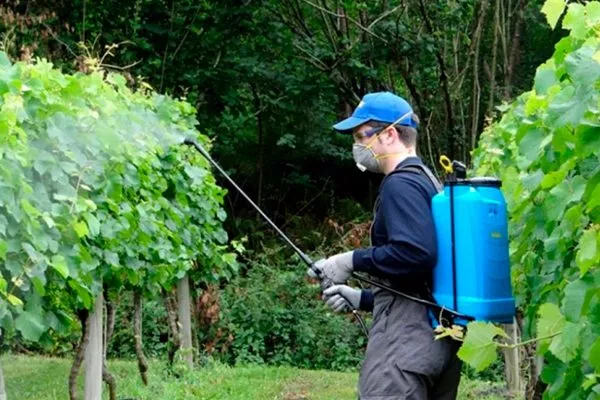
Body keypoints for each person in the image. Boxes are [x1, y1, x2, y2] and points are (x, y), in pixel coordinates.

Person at [308, 92, 462, 400]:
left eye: (361, 136)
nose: (357, 147)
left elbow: (416, 253)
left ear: (390, 134)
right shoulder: (428, 181)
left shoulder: (400, 184)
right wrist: (362, 298)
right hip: (439, 339)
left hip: (406, 346)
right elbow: (422, 280)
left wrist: (350, 260)